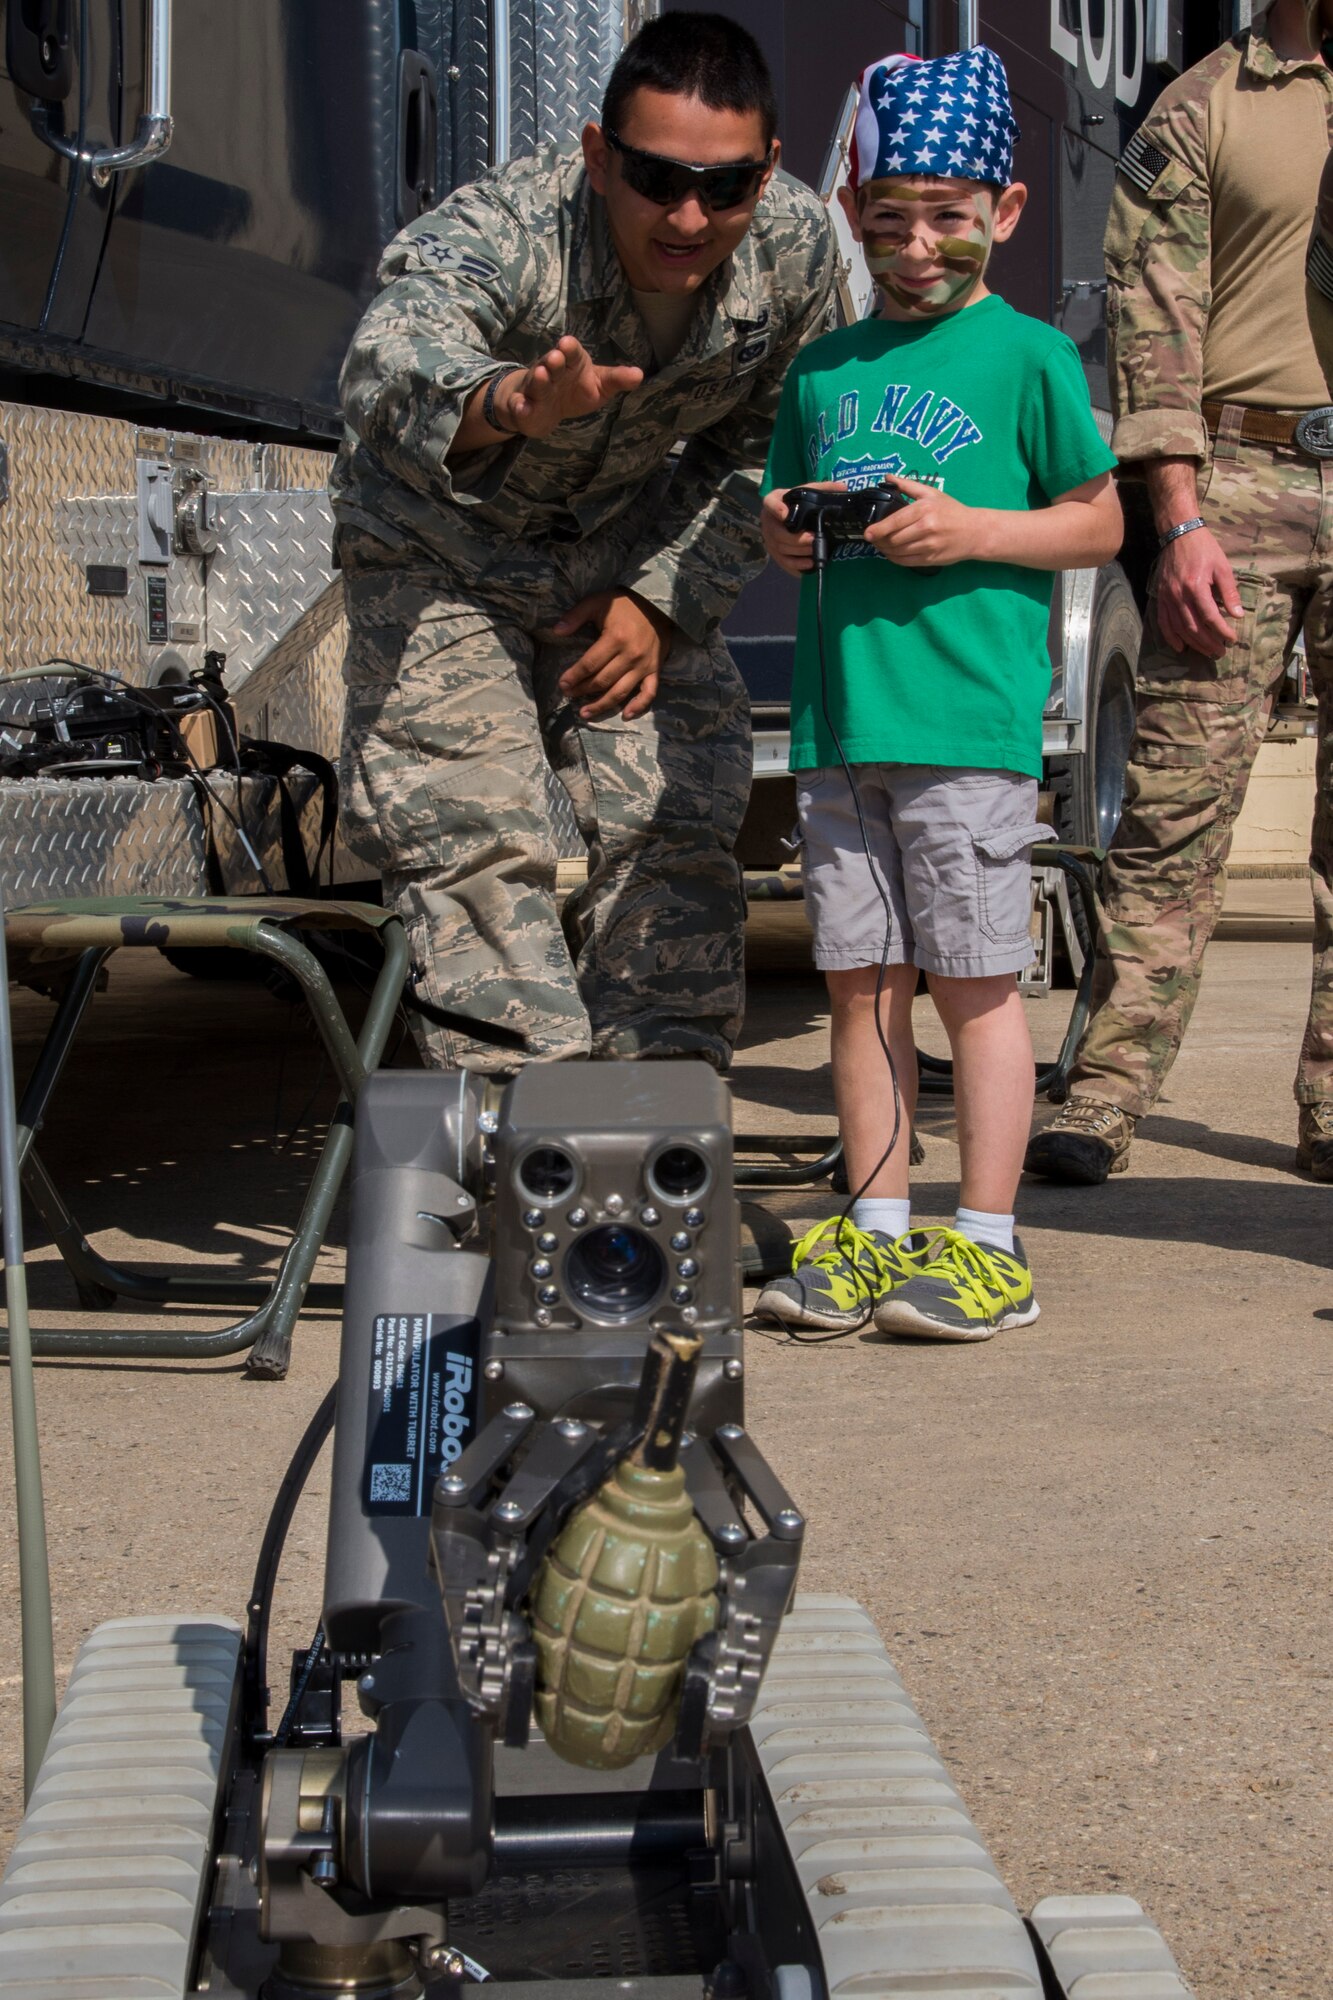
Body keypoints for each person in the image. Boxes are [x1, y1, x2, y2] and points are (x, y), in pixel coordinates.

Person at [332, 13, 837, 1074]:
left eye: (727, 186)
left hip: (613, 553)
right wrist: (509, 400)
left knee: (674, 808)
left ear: (769, 169)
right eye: (655, 178)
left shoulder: (794, 250)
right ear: (598, 156)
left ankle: (661, 1121)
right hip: (442, 550)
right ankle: (524, 1126)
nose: (690, 216)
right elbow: (386, 361)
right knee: (472, 826)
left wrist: (658, 601)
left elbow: (774, 441)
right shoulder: (508, 226)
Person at [753, 47, 1121, 1342]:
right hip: (839, 726)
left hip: (965, 729)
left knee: (975, 988)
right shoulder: (821, 372)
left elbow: (1095, 520)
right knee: (861, 989)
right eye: (892, 216)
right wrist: (784, 531)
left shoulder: (1025, 360)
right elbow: (777, 512)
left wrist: (968, 531)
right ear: (852, 212)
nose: (919, 245)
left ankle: (987, 1246)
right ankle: (873, 1227)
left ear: (1004, 215)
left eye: (950, 219)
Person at [1027, 0, 1333, 1185]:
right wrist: (1180, 514)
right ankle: (1106, 1088)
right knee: (1172, 811)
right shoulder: (1205, 102)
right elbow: (1155, 318)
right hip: (1241, 478)